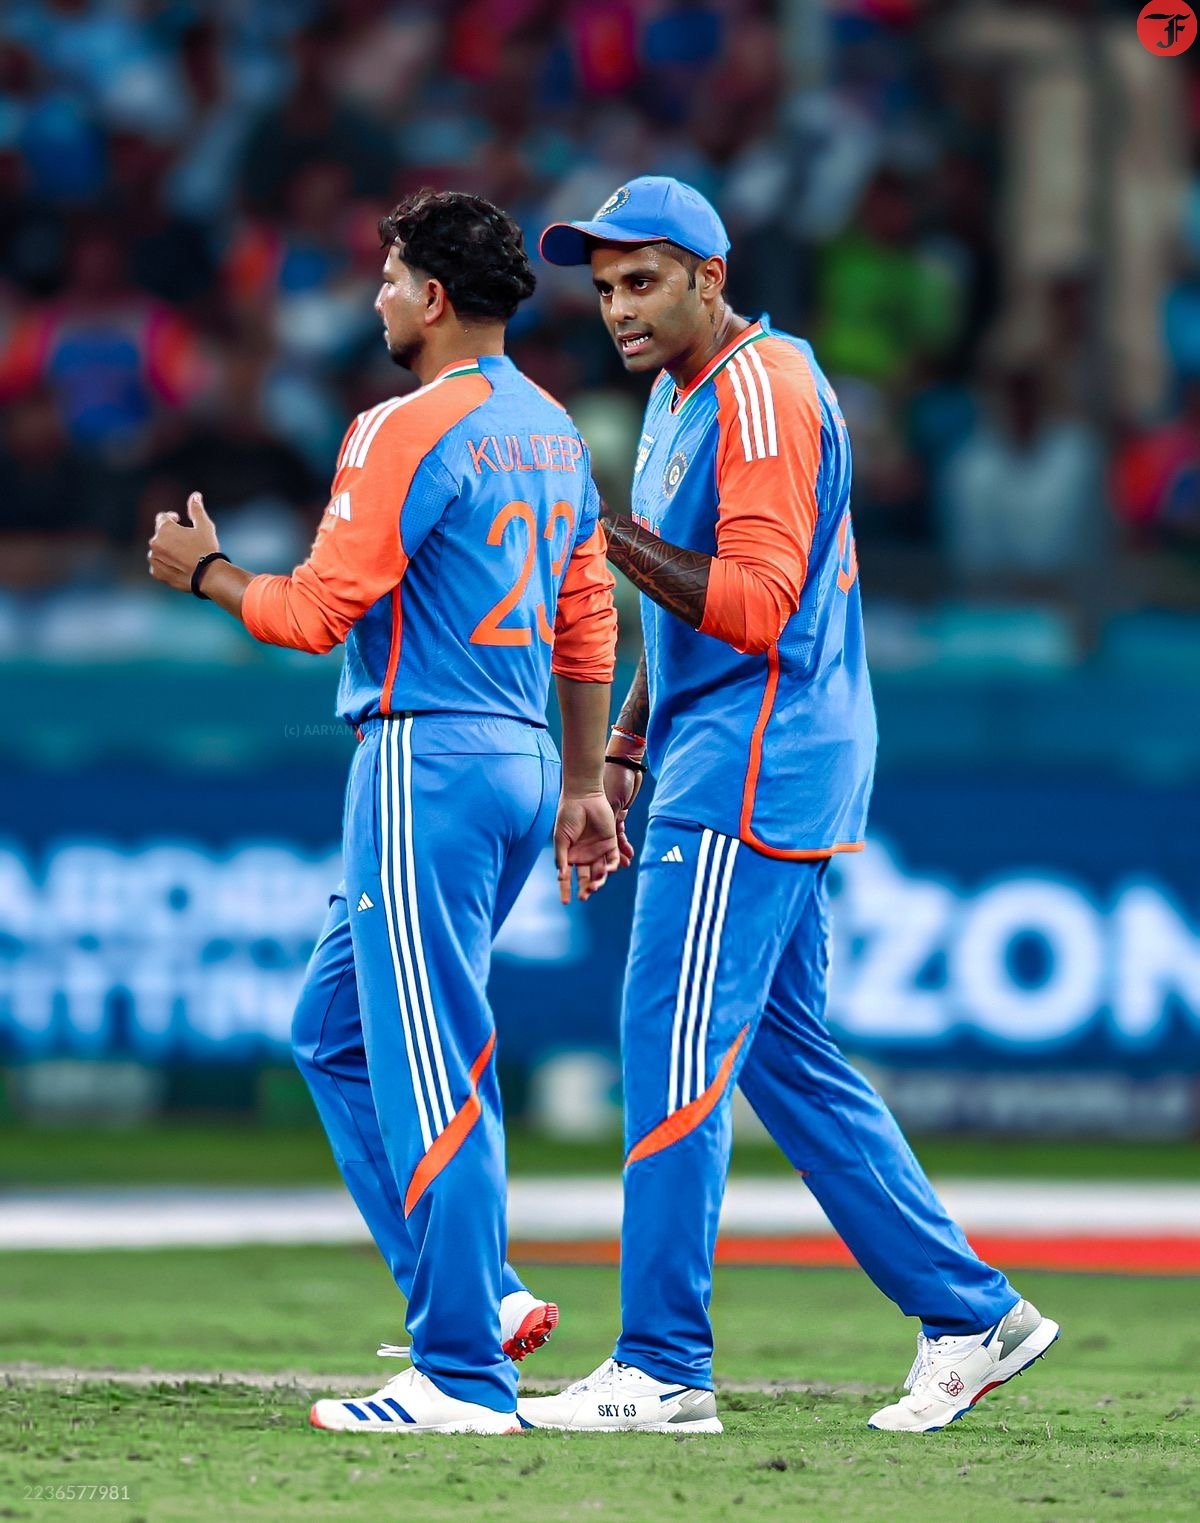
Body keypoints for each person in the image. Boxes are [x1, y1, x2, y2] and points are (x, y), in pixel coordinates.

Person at [518, 177, 1059, 1436]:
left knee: (671, 1045)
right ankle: (972, 1312)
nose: (618, 308)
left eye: (642, 280)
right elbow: (692, 610)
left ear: (710, 276)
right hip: (744, 751)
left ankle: (661, 1363)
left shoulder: (759, 391)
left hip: (754, 762)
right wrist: (628, 747)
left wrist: (599, 534)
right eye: (603, 288)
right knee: (787, 1057)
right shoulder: (684, 393)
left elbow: (756, 604)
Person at [148, 189, 620, 1435]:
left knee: (430, 1056)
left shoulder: (401, 426)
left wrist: (207, 574)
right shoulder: (555, 431)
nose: (379, 296)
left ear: (436, 297)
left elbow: (314, 615)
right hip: (522, 755)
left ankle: (460, 1372)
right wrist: (583, 782)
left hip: (427, 760)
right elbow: (588, 619)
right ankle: (477, 1291)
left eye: (393, 276)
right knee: (336, 1031)